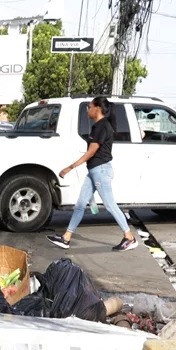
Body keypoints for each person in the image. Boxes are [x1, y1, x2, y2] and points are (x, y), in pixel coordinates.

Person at [46, 96, 138, 252]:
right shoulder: (100, 126)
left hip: (101, 171)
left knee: (110, 205)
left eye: (89, 107)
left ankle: (129, 237)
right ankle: (66, 238)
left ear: (97, 108)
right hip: (95, 171)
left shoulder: (101, 126)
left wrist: (70, 167)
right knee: (80, 204)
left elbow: (91, 152)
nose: (87, 110)